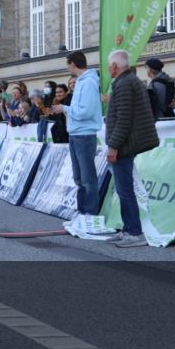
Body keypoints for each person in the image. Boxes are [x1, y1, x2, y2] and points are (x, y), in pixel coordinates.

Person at [105, 50, 160, 248]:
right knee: (123, 189)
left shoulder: (125, 83)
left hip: (124, 146)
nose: (108, 68)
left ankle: (134, 232)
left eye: (109, 64)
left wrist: (113, 146)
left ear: (114, 66)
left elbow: (124, 120)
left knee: (125, 190)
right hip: (125, 144)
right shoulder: (127, 81)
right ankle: (128, 229)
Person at [64, 51, 103, 222]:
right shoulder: (81, 82)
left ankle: (90, 213)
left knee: (87, 177)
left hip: (85, 135)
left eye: (68, 64)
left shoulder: (88, 83)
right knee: (79, 177)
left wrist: (65, 109)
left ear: (73, 64)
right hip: (76, 134)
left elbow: (84, 112)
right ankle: (82, 211)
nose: (67, 67)